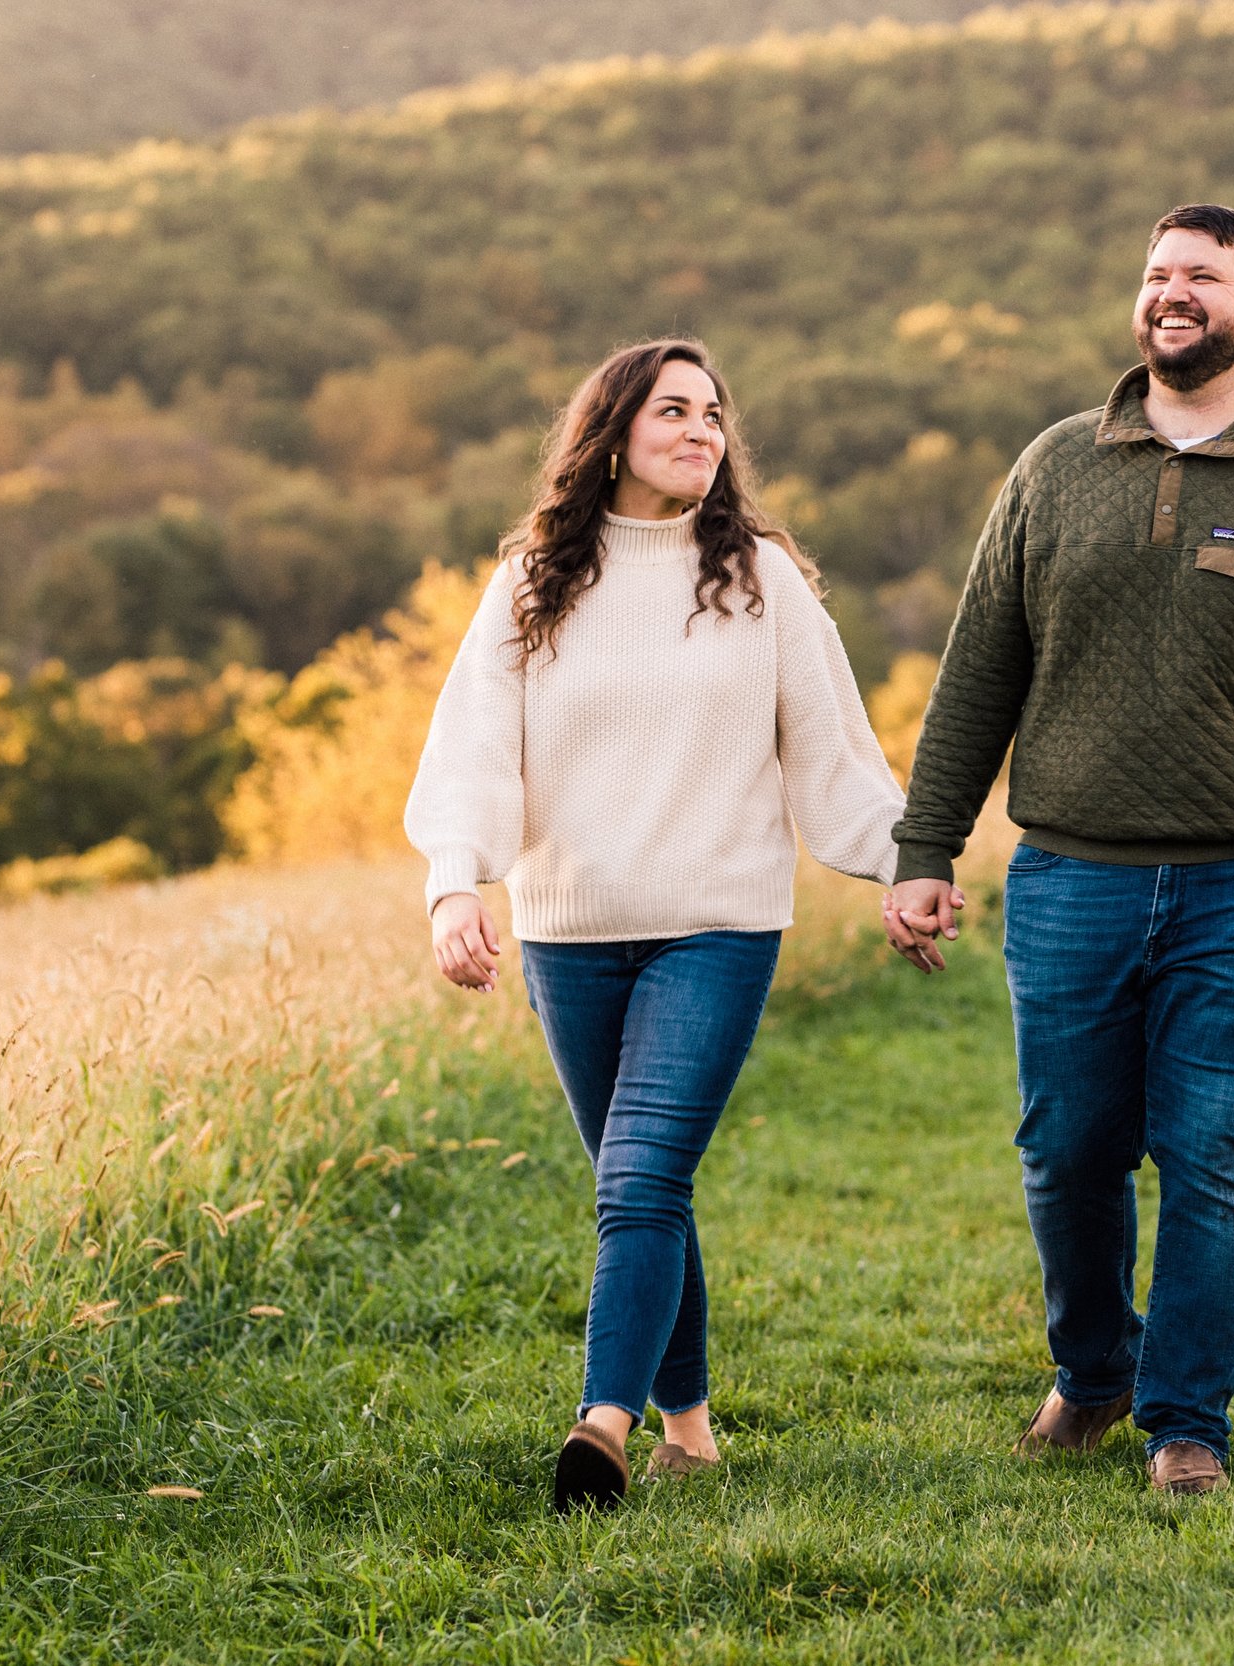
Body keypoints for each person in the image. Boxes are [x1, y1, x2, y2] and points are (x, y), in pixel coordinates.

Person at [882, 204, 1234, 1495]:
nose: (1170, 293)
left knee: (1214, 1148)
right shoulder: (1054, 468)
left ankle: (1187, 1422)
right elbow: (978, 676)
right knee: (1066, 1146)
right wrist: (926, 847)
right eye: (1155, 274)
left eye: (1201, 275)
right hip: (1070, 875)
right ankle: (1093, 1372)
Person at [405, 339, 903, 1513]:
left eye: (715, 414)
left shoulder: (761, 579)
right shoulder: (533, 579)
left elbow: (833, 750)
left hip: (716, 927)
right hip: (571, 931)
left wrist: (904, 866)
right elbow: (477, 745)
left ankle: (602, 1422)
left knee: (634, 1183)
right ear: (613, 430)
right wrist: (453, 882)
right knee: (649, 1190)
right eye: (675, 410)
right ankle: (691, 1425)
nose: (702, 430)